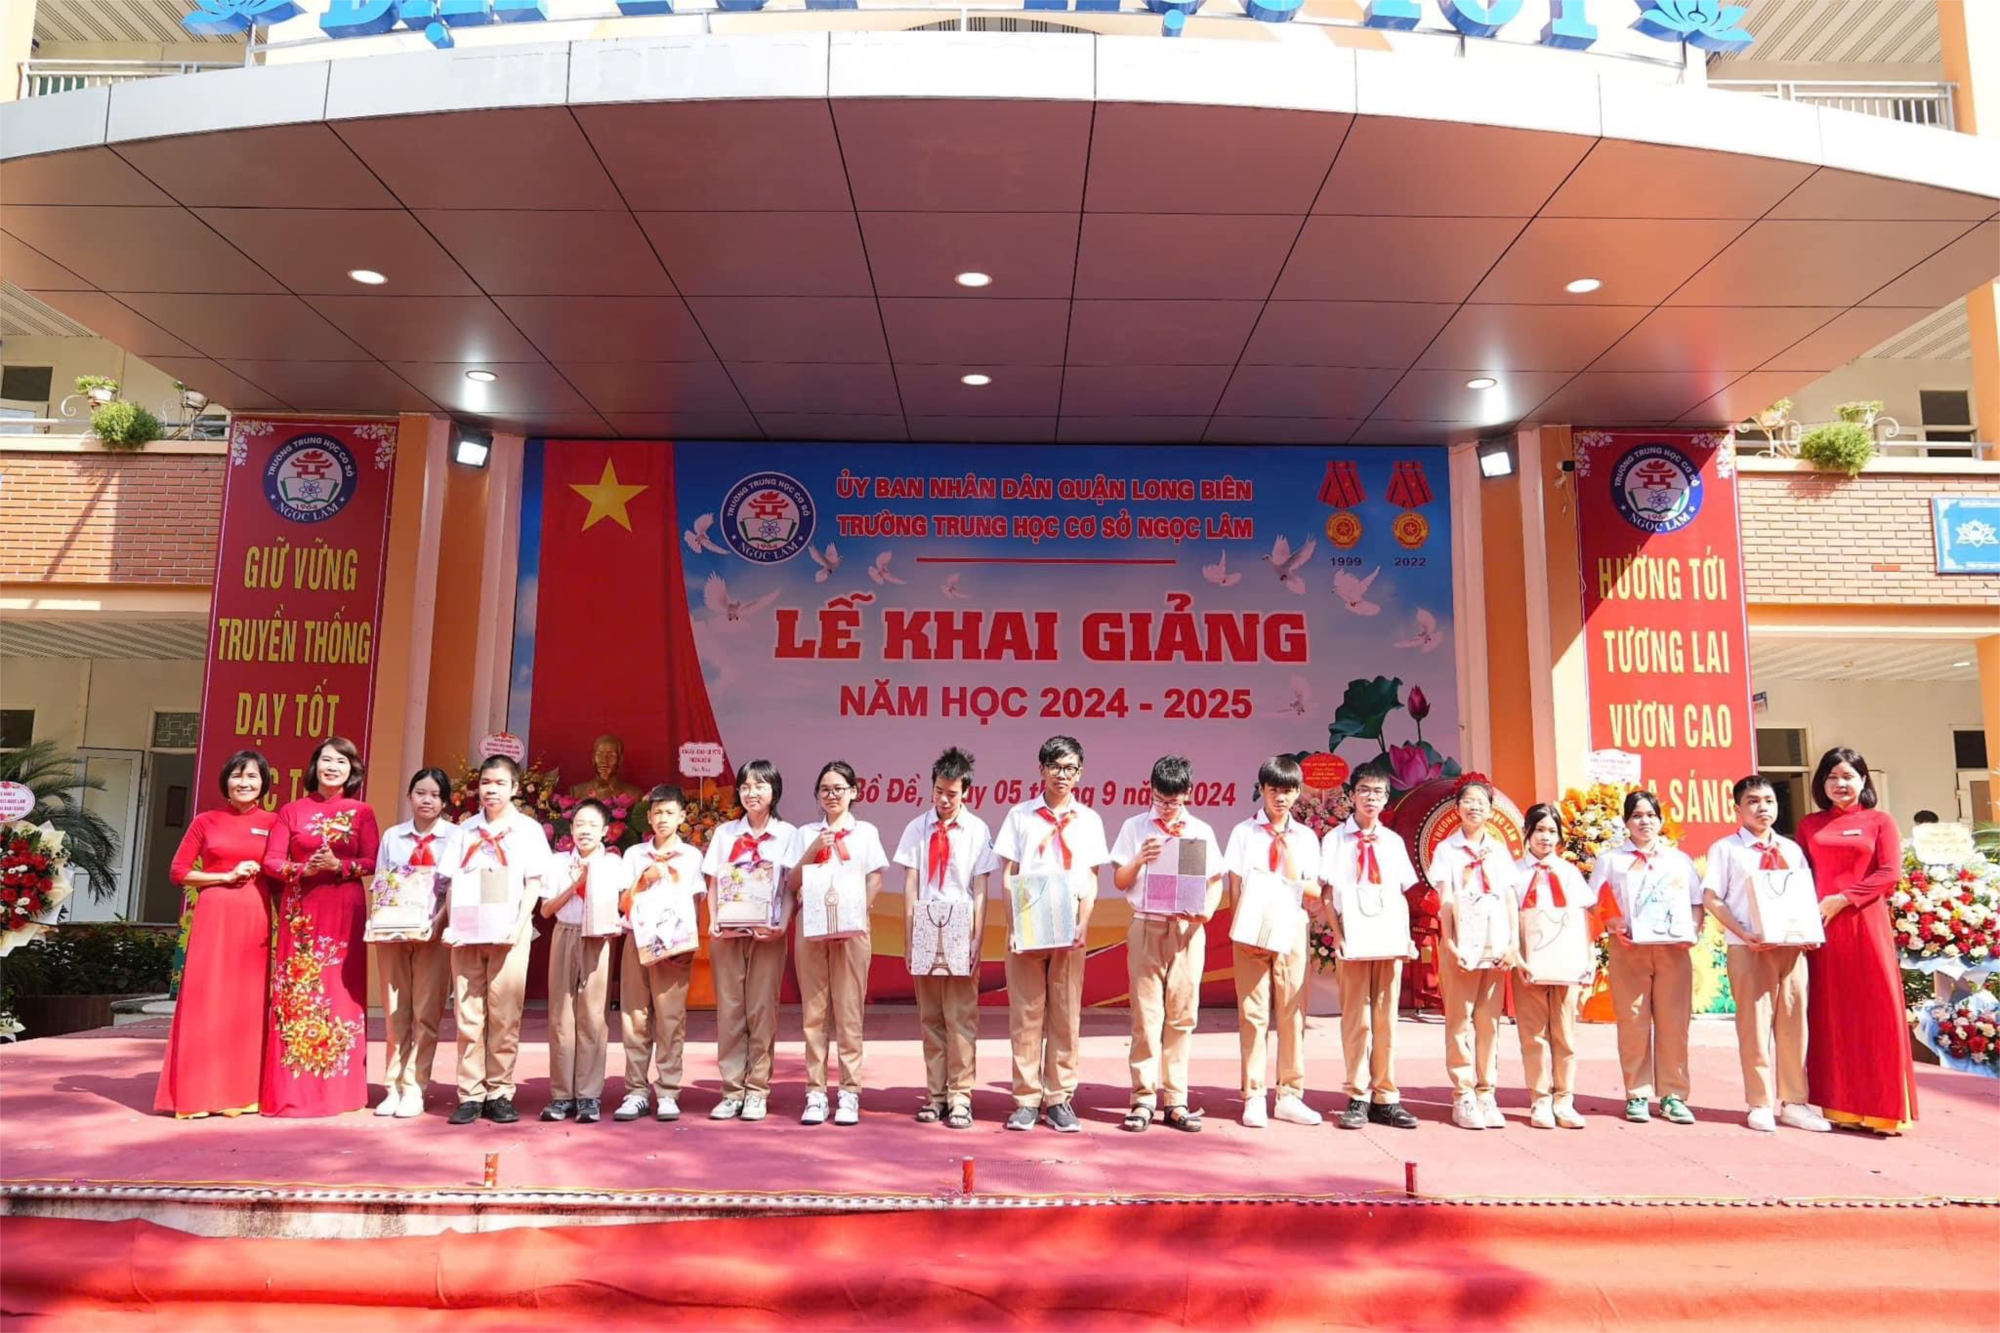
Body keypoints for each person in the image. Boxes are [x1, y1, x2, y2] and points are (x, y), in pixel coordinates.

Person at [1701, 776, 1831, 1135]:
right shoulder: (1726, 849)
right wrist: (1743, 933)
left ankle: (1795, 1102)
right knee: (1755, 1027)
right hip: (1749, 948)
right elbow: (1712, 898)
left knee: (1794, 1024)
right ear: (1737, 808)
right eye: (1753, 801)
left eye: (1769, 801)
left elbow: (1803, 895)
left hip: (1791, 949)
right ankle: (1759, 1102)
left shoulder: (1791, 849)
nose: (1763, 808)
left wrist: (1808, 932)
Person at [993, 735, 1109, 1134]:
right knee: (1026, 1014)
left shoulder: (1089, 820)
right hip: (1027, 925)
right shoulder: (1020, 816)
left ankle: (1059, 1097)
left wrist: (1083, 924)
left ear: (1081, 773)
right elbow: (1007, 875)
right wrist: (1012, 926)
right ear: (1041, 769)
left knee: (1065, 1013)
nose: (1062, 774)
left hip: (1069, 926)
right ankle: (1026, 1099)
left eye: (1070, 768)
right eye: (1055, 766)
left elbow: (1092, 878)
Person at [154, 750, 278, 1119]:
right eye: (238, 775)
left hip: (255, 919)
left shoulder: (274, 823)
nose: (244, 782)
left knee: (247, 1003)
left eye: (252, 776)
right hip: (213, 918)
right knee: (205, 1000)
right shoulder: (205, 821)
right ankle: (197, 1095)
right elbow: (178, 872)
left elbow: (281, 873)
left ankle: (244, 1093)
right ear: (226, 781)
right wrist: (224, 876)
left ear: (264, 783)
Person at [1800, 747, 1917, 1134]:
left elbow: (1889, 873)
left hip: (1866, 924)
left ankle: (1885, 1109)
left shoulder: (1880, 821)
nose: (1840, 784)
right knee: (1832, 1015)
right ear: (1821, 783)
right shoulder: (1810, 825)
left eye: (1848, 776)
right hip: (1823, 929)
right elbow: (1800, 876)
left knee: (1877, 1011)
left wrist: (1845, 898)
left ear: (1863, 780)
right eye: (1832, 777)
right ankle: (1841, 1107)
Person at [261, 736, 379, 1118]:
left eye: (342, 762)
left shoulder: (362, 812)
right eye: (327, 760)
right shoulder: (291, 811)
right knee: (298, 995)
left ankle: (340, 1093)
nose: (333, 767)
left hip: (344, 911)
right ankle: (294, 1092)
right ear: (314, 766)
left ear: (352, 770)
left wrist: (339, 867)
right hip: (302, 912)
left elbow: (373, 861)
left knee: (341, 995)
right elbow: (271, 861)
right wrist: (303, 869)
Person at [1111, 756, 1225, 1134]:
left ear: (1188, 794)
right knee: (1146, 1016)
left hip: (1187, 930)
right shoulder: (1134, 827)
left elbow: (1215, 881)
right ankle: (1143, 1099)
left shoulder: (1200, 831)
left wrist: (1206, 912)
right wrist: (1139, 859)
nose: (1166, 808)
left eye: (1173, 801)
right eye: (1160, 800)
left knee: (1181, 1015)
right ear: (1150, 790)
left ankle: (1176, 1100)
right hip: (1147, 925)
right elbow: (1120, 881)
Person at [446, 754, 553, 1126]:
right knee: (468, 1015)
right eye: (485, 783)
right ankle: (470, 1093)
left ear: (515, 788)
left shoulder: (528, 831)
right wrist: (451, 925)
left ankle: (500, 1091)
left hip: (510, 933)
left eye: (499, 783)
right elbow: (452, 884)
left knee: (505, 1015)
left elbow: (535, 883)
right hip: (467, 934)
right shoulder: (464, 831)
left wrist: (519, 925)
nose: (490, 790)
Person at [1589, 789, 1703, 1125]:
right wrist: (1612, 923)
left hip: (1673, 950)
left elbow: (1696, 902)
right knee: (1633, 1021)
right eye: (1637, 816)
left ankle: (1673, 1095)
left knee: (1674, 1023)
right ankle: (1636, 1093)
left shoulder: (1678, 860)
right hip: (1629, 949)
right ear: (1626, 821)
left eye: (1651, 815)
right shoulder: (1611, 860)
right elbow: (1595, 901)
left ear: (1661, 820)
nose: (1644, 822)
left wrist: (1692, 931)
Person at [894, 748, 992, 1129]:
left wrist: (977, 938)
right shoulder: (916, 828)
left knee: (961, 1016)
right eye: (939, 791)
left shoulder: (977, 830)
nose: (944, 800)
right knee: (931, 1016)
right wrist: (908, 937)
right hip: (925, 921)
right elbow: (911, 883)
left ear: (966, 792)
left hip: (959, 923)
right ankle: (935, 1095)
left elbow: (980, 887)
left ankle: (961, 1096)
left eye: (952, 793)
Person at [787, 760, 889, 1126]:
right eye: (825, 790)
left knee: (849, 1012)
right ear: (817, 795)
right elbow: (791, 882)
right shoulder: (805, 833)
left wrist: (855, 913)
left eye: (839, 789)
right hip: (812, 928)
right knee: (814, 1012)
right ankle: (815, 1092)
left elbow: (875, 878)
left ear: (854, 792)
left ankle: (849, 1091)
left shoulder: (865, 832)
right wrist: (814, 847)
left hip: (852, 929)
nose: (832, 795)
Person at [1320, 761, 1421, 1130]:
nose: (1371, 798)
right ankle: (1358, 1095)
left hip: (1388, 939)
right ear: (1351, 795)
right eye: (1364, 790)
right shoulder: (1335, 840)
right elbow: (1327, 895)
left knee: (1385, 1019)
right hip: (1354, 940)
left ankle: (1386, 1096)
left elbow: (1399, 894)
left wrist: (1405, 937)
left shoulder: (1392, 843)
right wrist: (1338, 936)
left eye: (1378, 792)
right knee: (1357, 1019)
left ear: (1386, 798)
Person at [1223, 755, 1322, 1130]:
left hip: (1292, 926)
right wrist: (1241, 928)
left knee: (1293, 1011)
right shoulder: (1243, 833)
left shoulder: (1306, 837)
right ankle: (1253, 1094)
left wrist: (1291, 867)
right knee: (1253, 1013)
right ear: (1262, 789)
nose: (1281, 798)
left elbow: (1314, 890)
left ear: (1298, 793)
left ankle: (1290, 1094)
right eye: (1274, 790)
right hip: (1251, 926)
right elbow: (1234, 885)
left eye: (1288, 791)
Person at [703, 759, 799, 1123]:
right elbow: (714, 882)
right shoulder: (725, 833)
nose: (751, 792)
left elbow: (790, 887)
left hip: (768, 935)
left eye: (759, 785)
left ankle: (757, 1090)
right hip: (728, 935)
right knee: (730, 1010)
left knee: (761, 1010)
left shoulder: (788, 834)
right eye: (745, 786)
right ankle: (731, 1091)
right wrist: (714, 920)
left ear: (774, 790)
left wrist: (782, 925)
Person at [371, 767, 465, 1119]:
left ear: (445, 802)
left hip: (433, 934)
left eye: (435, 795)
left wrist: (436, 923)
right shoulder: (392, 837)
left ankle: (414, 1087)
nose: (427, 800)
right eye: (421, 793)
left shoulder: (456, 838)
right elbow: (382, 884)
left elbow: (456, 888)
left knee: (426, 1012)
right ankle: (392, 1086)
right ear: (409, 796)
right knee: (396, 1011)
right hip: (394, 934)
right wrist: (381, 922)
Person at [1429, 775, 1522, 1131]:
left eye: (1481, 802)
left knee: (1489, 1022)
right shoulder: (1447, 851)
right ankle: (1463, 1094)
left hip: (1494, 947)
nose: (1474, 807)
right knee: (1459, 1021)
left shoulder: (1498, 850)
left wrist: (1512, 943)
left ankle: (1487, 1092)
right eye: (1467, 801)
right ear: (1457, 808)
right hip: (1461, 946)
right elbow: (1445, 900)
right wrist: (1449, 943)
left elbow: (1509, 898)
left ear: (1491, 811)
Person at [614, 785, 705, 1123]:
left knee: (670, 1019)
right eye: (657, 813)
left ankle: (668, 1090)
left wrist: (688, 946)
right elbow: (622, 900)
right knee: (635, 1016)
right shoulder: (634, 855)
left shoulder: (691, 856)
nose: (663, 818)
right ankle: (636, 1090)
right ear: (648, 818)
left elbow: (696, 902)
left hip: (674, 945)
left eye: (670, 812)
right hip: (637, 941)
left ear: (682, 816)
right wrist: (644, 879)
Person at [539, 799, 629, 1124]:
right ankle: (562, 1095)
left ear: (606, 830)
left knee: (593, 1014)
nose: (585, 831)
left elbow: (624, 903)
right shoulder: (557, 862)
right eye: (579, 824)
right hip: (565, 932)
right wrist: (574, 885)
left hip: (598, 937)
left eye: (592, 825)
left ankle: (589, 1094)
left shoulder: (614, 864)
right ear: (571, 829)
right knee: (561, 1014)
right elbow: (546, 910)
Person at [1513, 803, 1592, 1130]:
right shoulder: (1514, 872)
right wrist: (1517, 957)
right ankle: (1540, 1099)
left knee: (1565, 1033)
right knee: (1533, 1034)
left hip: (1566, 965)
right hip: (1528, 965)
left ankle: (1565, 1098)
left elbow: (1583, 919)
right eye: (1539, 830)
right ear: (1526, 833)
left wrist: (1589, 959)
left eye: (1551, 831)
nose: (1545, 837)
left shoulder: (1569, 873)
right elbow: (1507, 918)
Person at [568, 733, 645, 804]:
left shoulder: (635, 794)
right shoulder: (576, 792)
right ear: (593, 759)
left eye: (611, 755)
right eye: (599, 755)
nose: (604, 760)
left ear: (620, 760)